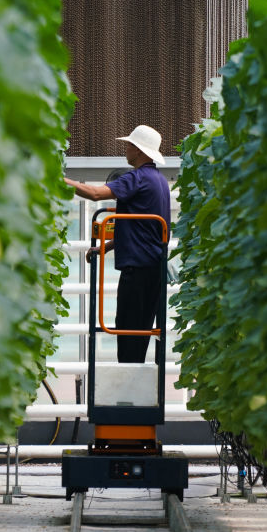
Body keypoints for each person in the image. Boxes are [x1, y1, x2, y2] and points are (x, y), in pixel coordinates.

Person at [64, 125, 171, 363]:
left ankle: (129, 394)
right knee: (139, 332)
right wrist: (105, 248)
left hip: (138, 270)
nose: (126, 148)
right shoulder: (159, 181)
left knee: (128, 331)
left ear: (140, 151)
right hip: (153, 270)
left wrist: (60, 180)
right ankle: (135, 389)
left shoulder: (138, 178)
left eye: (129, 145)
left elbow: (94, 193)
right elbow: (140, 227)